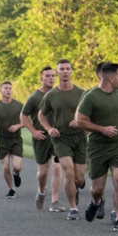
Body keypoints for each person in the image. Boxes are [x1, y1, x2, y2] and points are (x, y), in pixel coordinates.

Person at [74, 62, 118, 232]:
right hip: (97, 146)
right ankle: (96, 202)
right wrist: (102, 129)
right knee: (97, 189)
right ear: (110, 78)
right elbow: (80, 121)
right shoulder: (91, 96)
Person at [38, 58, 87, 221]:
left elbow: (91, 112)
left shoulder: (81, 93)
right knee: (69, 171)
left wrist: (81, 121)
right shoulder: (51, 95)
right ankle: (73, 208)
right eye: (62, 69)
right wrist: (49, 129)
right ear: (57, 72)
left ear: (71, 71)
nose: (65, 71)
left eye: (67, 68)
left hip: (79, 137)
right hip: (61, 138)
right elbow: (41, 115)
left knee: (79, 178)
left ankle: (76, 188)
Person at [19, 67, 64, 211]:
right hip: (41, 138)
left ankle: (55, 201)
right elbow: (23, 116)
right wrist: (33, 131)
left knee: (57, 168)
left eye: (53, 76)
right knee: (43, 172)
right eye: (47, 76)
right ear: (41, 78)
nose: (51, 78)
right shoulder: (34, 97)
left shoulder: (59, 94)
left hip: (57, 138)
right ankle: (41, 191)